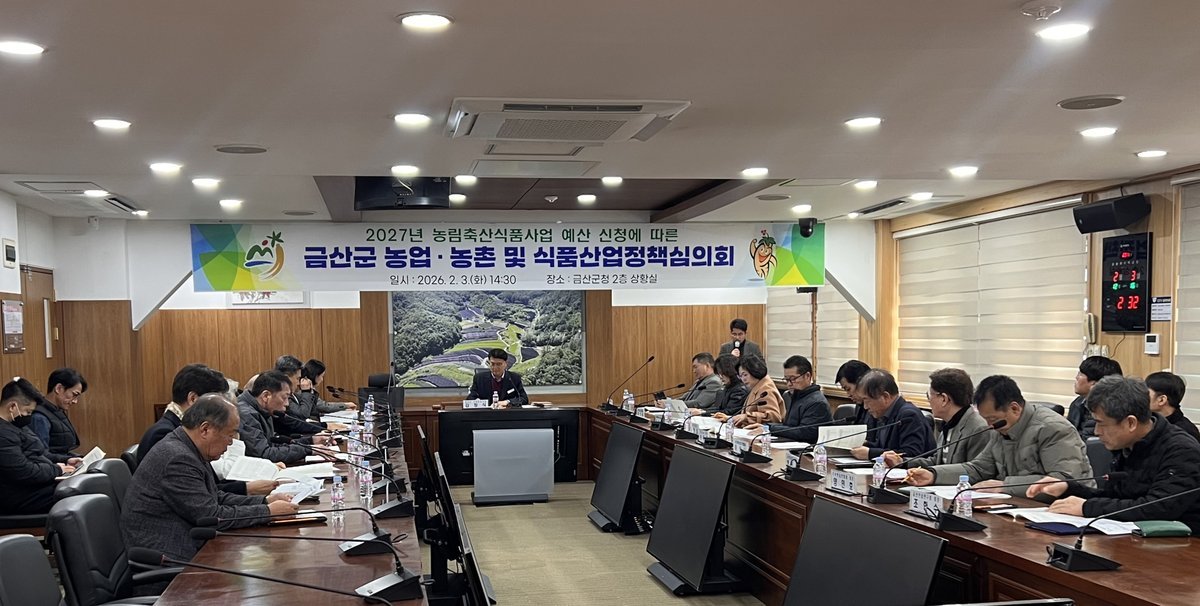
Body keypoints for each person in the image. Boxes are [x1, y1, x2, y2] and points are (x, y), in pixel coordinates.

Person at [122, 394, 299, 561]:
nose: (231, 443)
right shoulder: (178, 458)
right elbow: (210, 516)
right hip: (171, 558)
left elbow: (214, 497)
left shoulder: (189, 447)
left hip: (189, 544)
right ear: (205, 429)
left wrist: (265, 501)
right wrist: (267, 512)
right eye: (230, 435)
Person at [1026, 376, 1200, 531]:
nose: (1096, 431)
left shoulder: (1181, 450)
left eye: (1101, 423)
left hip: (1182, 544)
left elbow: (1158, 508)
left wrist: (1087, 508)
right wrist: (1068, 488)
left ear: (1130, 423)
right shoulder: (1129, 444)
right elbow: (1117, 498)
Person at [906, 375, 1093, 496]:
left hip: (1062, 511)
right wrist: (934, 474)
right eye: (986, 419)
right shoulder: (1000, 427)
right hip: (1017, 507)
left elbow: (1062, 480)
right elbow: (979, 469)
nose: (989, 425)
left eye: (992, 419)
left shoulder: (1053, 429)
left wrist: (1004, 486)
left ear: (1014, 408)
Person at [136, 364, 279, 496]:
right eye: (216, 401)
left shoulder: (184, 429)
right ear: (193, 399)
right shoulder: (166, 435)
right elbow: (198, 494)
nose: (221, 409)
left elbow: (208, 484)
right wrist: (247, 489)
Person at [884, 368, 989, 468]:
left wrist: (933, 474)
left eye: (929, 396)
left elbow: (974, 471)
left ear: (944, 399)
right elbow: (937, 461)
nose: (929, 401)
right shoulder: (949, 423)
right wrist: (902, 462)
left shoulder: (978, 429)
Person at [0, 377, 70, 515]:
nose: (29, 416)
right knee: (78, 492)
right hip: (18, 497)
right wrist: (56, 470)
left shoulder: (16, 424)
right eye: (28, 412)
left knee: (85, 485)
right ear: (12, 407)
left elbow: (40, 452)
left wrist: (65, 460)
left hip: (33, 488)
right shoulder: (3, 435)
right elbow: (24, 472)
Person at [237, 371, 330, 465]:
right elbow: (264, 454)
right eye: (285, 398)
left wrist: (310, 441)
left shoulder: (264, 410)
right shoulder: (246, 414)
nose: (287, 404)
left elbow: (272, 444)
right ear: (266, 396)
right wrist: (307, 450)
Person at [850, 369, 935, 460]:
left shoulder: (908, 415)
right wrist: (865, 444)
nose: (865, 407)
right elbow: (885, 447)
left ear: (885, 396)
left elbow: (911, 453)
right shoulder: (885, 413)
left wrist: (871, 453)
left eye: (867, 400)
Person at [746, 355, 830, 443]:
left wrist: (770, 428)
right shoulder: (794, 396)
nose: (789, 384)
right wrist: (765, 427)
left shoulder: (817, 402)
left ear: (807, 376)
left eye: (793, 379)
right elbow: (789, 427)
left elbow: (804, 433)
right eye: (786, 379)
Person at [30, 368, 87, 465]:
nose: (75, 401)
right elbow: (41, 454)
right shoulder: (39, 417)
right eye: (74, 395)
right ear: (58, 388)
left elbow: (60, 450)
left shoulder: (56, 411)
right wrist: (66, 459)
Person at [1068, 356, 1123, 438]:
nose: (1076, 377)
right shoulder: (1077, 403)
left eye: (1081, 374)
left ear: (1095, 383)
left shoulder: (1111, 410)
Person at [724, 354, 784, 427]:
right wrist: (731, 419)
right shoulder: (757, 386)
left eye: (745, 375)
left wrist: (747, 417)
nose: (743, 379)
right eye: (740, 376)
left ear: (754, 371)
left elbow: (774, 417)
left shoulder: (766, 390)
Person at [288, 358, 356, 421]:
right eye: (321, 376)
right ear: (315, 376)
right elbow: (323, 407)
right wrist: (346, 405)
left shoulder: (308, 389)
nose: (322, 380)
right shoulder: (302, 390)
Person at [1145, 371, 1199, 442]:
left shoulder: (1186, 432)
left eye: (1146, 393)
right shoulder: (1146, 421)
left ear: (1162, 400)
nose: (1141, 396)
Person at [835, 360, 872, 425]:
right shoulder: (859, 405)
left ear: (861, 383)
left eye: (848, 389)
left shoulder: (876, 407)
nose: (848, 395)